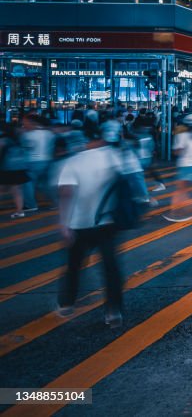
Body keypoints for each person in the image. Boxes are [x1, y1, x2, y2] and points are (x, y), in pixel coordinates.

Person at [56, 120, 126, 327]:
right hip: (107, 221)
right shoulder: (114, 157)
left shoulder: (74, 161)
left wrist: (63, 223)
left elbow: (66, 193)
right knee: (110, 268)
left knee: (74, 266)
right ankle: (114, 312)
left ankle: (67, 303)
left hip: (79, 223)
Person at [0, 123, 31, 219]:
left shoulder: (4, 140)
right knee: (16, 190)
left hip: (7, 169)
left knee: (4, 189)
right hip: (19, 168)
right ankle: (20, 211)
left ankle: (19, 211)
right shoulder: (18, 140)